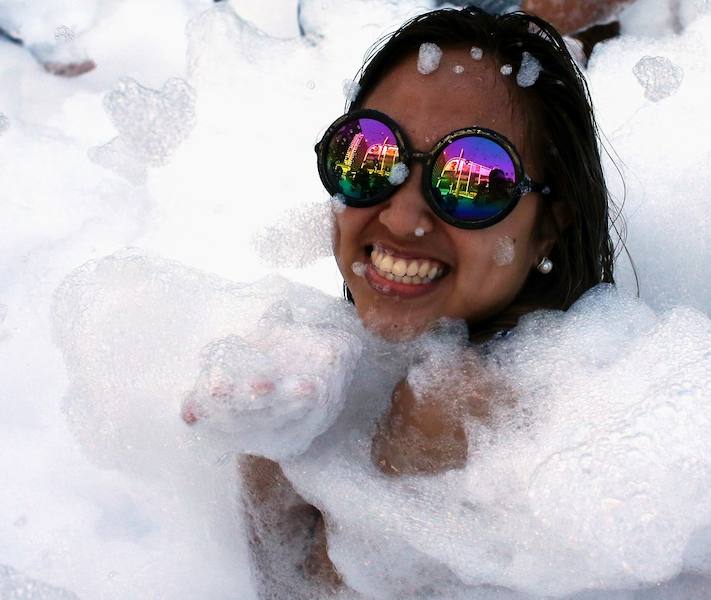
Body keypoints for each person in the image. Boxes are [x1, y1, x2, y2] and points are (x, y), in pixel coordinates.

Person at [185, 6, 616, 596]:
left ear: (549, 226)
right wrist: (267, 458)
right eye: (370, 157)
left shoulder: (473, 406)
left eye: (472, 179)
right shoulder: (330, 370)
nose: (401, 216)